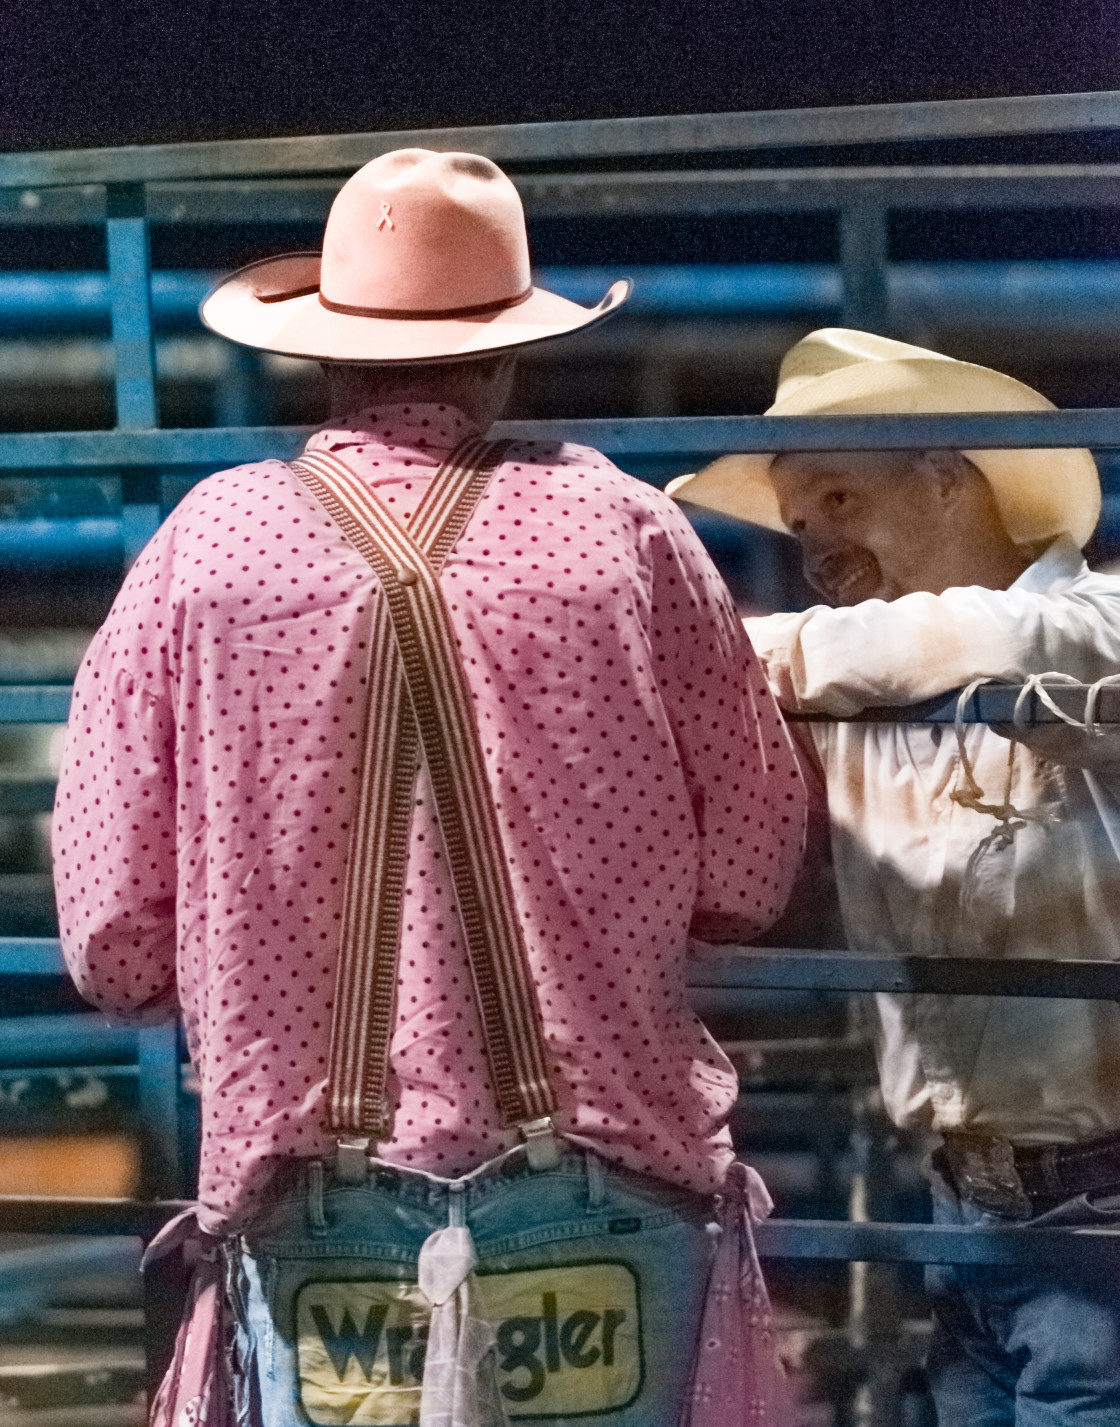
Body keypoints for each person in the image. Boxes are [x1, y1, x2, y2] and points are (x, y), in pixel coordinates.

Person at [52, 149, 806, 1427]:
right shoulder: (623, 530)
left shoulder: (206, 546)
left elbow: (114, 938)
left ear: (325, 353)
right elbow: (748, 865)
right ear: (507, 355)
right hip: (613, 1165)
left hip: (311, 1192)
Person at [670, 327, 1120, 1427]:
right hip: (967, 1201)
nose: (817, 539)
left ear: (944, 477)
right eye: (801, 518)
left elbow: (983, 634)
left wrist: (693, 649)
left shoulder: (1092, 621)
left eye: (836, 497)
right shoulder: (862, 670)